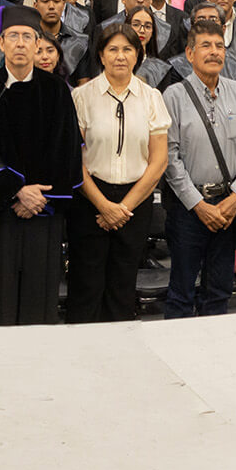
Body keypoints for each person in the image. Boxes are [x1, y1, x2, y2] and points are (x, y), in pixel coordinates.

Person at [0, 5, 80, 325]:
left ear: (38, 44)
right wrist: (16, 191)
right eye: (13, 36)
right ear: (1, 42)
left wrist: (40, 197)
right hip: (0, 212)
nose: (20, 43)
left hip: (44, 210)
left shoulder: (56, 90)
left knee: (40, 295)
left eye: (27, 36)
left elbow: (66, 150)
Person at [162, 19, 236, 317]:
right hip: (188, 208)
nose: (214, 52)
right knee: (181, 291)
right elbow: (169, 157)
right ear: (189, 53)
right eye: (205, 45)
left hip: (229, 207)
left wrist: (235, 198)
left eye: (220, 46)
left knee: (220, 290)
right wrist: (198, 205)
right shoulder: (173, 96)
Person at [66, 24, 170, 322]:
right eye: (112, 49)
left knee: (123, 286)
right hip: (89, 199)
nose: (120, 56)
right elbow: (74, 159)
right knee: (86, 286)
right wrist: (103, 206)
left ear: (138, 55)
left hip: (135, 201)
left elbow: (159, 161)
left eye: (127, 49)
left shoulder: (151, 97)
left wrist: (122, 208)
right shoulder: (82, 97)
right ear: (101, 55)